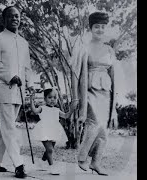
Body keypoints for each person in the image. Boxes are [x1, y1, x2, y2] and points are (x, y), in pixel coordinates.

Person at [0, 6, 34, 178]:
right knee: (10, 128)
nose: (15, 19)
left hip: (17, 92)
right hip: (2, 90)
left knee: (6, 128)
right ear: (4, 19)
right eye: (11, 16)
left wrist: (30, 84)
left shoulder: (23, 42)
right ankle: (19, 164)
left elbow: (27, 67)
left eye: (17, 16)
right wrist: (10, 76)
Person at [71, 12, 118, 176]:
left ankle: (96, 162)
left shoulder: (109, 50)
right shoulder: (84, 47)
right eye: (96, 26)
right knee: (93, 123)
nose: (100, 30)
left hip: (105, 92)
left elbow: (113, 75)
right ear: (91, 28)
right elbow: (75, 73)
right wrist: (76, 98)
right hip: (89, 91)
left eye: (103, 27)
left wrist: (114, 104)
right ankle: (82, 157)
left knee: (103, 129)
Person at [30, 88, 77, 175]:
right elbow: (34, 111)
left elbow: (66, 116)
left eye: (54, 98)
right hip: (44, 130)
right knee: (50, 149)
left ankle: (42, 162)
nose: (52, 99)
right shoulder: (42, 108)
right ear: (45, 99)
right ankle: (52, 167)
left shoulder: (56, 110)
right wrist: (31, 100)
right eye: (50, 97)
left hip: (54, 130)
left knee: (49, 150)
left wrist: (72, 108)